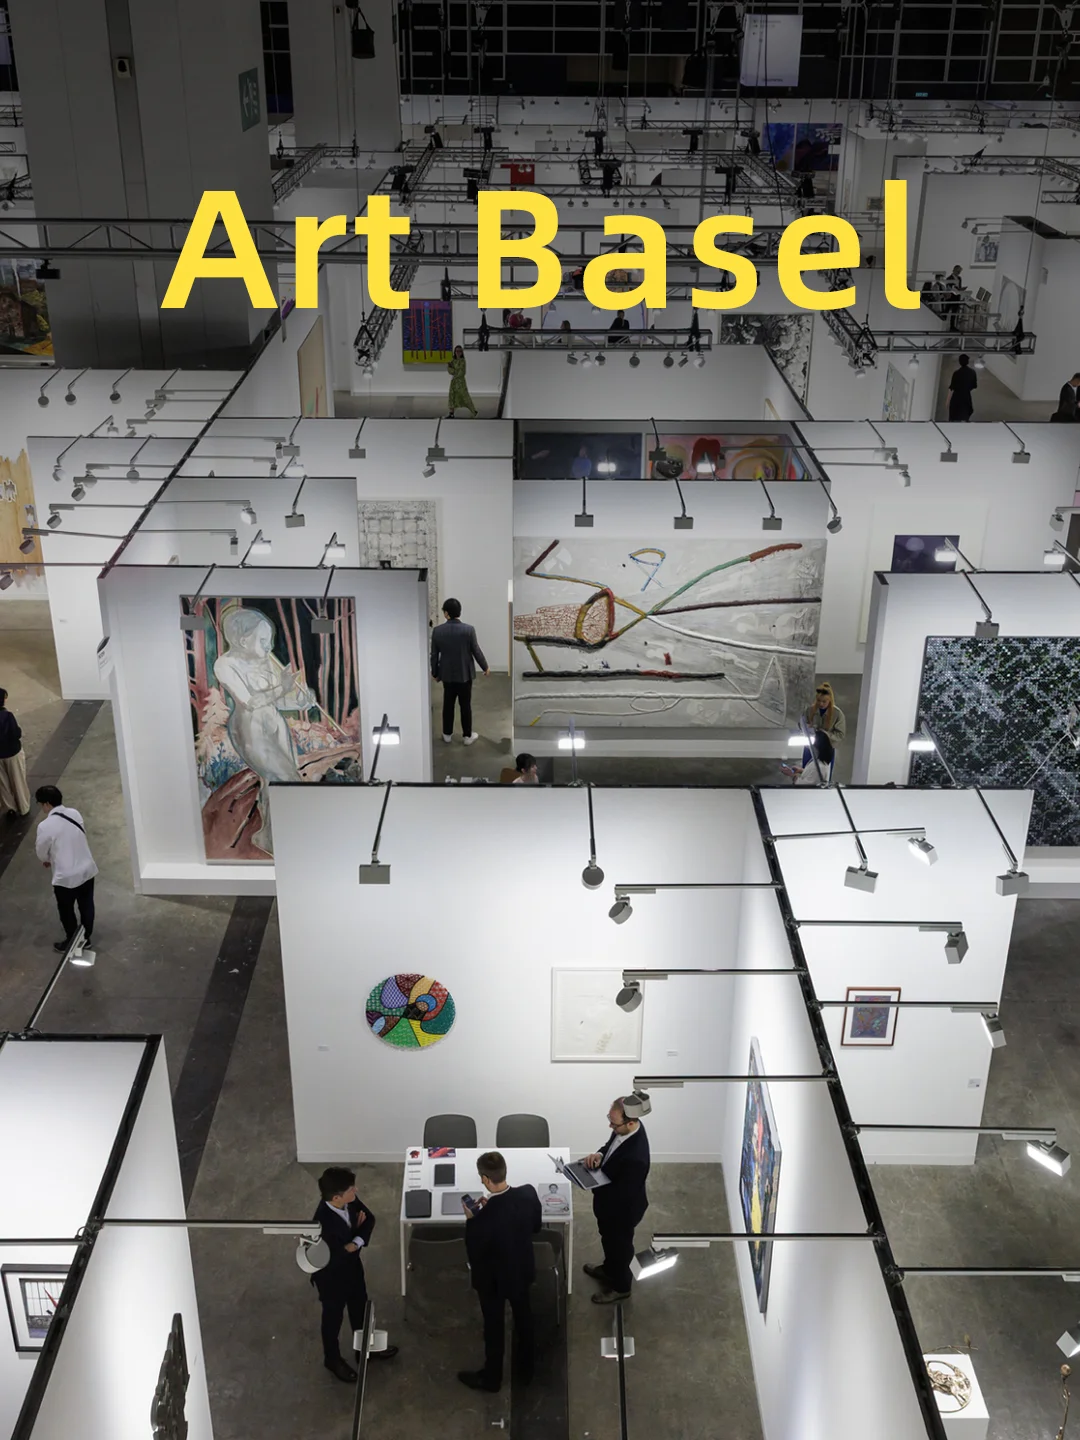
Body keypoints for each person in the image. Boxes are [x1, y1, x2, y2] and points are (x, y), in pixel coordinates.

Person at [213, 604, 314, 856]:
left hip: (275, 725)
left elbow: (276, 702)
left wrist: (300, 701)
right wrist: (282, 687)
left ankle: (270, 837)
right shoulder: (225, 664)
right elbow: (250, 702)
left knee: (274, 782)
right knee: (285, 778)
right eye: (263, 641)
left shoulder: (265, 661)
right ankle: (288, 836)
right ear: (243, 640)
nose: (269, 647)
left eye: (270, 641)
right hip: (250, 729)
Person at [457, 1151, 542, 1393]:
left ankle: (492, 1379)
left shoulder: (483, 1219)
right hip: (521, 1271)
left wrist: (472, 1220)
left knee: (494, 1328)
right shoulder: (528, 1193)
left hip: (493, 1281)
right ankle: (527, 1370)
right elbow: (535, 1226)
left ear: (485, 1179)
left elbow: (474, 1252)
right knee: (524, 1319)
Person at [311, 1166, 398, 1382]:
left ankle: (364, 1350)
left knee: (360, 1309)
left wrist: (354, 1241)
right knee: (333, 1320)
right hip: (331, 1279)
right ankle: (332, 1359)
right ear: (336, 1197)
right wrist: (352, 1238)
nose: (356, 1190)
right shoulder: (321, 1224)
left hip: (352, 1269)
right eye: (351, 1189)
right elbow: (332, 1257)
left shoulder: (349, 1200)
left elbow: (369, 1219)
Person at [581, 1097, 651, 1304]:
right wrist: (599, 1155)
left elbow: (622, 1194)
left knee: (620, 1248)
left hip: (621, 1212)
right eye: (609, 1120)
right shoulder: (625, 1130)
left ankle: (621, 1287)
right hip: (608, 1206)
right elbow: (610, 1147)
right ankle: (609, 1269)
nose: (610, 1126)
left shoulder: (636, 1158)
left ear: (631, 1122)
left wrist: (590, 1182)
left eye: (614, 1123)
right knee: (608, 1240)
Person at [34, 785, 97, 952]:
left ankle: (72, 940)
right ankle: (86, 938)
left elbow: (41, 851)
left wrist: (46, 860)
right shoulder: (75, 813)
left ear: (47, 804)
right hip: (87, 869)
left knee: (66, 910)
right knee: (87, 905)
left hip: (66, 877)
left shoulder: (45, 826)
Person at [431, 597, 489, 746]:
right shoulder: (468, 630)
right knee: (465, 705)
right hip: (465, 675)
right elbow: (476, 650)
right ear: (459, 612)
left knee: (448, 705)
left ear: (446, 613)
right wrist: (485, 667)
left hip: (447, 675)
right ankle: (467, 736)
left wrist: (435, 673)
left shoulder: (438, 631)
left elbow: (434, 655)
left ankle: (447, 734)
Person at [0, 688, 30, 817]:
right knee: (18, 780)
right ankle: (23, 807)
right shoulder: (7, 716)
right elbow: (16, 734)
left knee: (3, 784)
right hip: (12, 753)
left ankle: (9, 808)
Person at [805, 682, 846, 749]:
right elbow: (802, 725)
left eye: (824, 701)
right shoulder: (809, 710)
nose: (821, 704)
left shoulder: (837, 714)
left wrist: (826, 735)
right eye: (818, 700)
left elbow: (840, 735)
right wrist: (807, 728)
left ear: (830, 700)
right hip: (810, 746)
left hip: (828, 747)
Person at [447, 344, 478, 417]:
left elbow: (462, 372)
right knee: (452, 397)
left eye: (459, 351)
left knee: (465, 396)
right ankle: (451, 413)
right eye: (457, 351)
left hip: (460, 382)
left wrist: (454, 371)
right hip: (454, 382)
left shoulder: (462, 361)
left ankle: (473, 411)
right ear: (455, 352)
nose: (458, 353)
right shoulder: (453, 360)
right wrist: (453, 370)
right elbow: (449, 369)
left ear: (461, 352)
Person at [947, 354, 977, 422]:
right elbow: (974, 385)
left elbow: (952, 387)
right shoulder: (972, 372)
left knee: (954, 417)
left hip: (956, 397)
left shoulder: (956, 373)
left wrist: (947, 401)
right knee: (964, 416)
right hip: (966, 397)